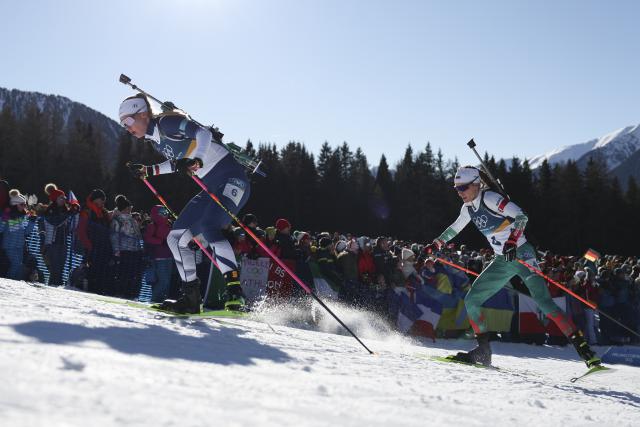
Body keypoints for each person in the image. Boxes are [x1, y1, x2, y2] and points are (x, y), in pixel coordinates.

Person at [426, 166, 600, 368]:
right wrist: (436, 243)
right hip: (503, 260)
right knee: (472, 300)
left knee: (544, 303)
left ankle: (587, 353)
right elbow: (455, 228)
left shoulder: (490, 198)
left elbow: (521, 216)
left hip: (522, 253)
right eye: (456, 188)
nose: (459, 192)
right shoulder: (468, 208)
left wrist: (512, 241)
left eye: (463, 188)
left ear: (476, 184)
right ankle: (483, 351)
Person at [119, 94, 250, 313]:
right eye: (123, 125)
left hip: (232, 179)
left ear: (143, 114)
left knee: (210, 226)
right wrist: (148, 171)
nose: (127, 128)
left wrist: (196, 159)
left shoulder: (166, 123)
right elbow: (177, 161)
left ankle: (235, 292)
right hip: (209, 188)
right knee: (176, 238)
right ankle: (190, 297)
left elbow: (203, 133)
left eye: (129, 121)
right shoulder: (155, 139)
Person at [110, 195, 144, 299]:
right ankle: (121, 292)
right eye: (129, 207)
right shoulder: (118, 220)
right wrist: (116, 251)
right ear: (125, 208)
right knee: (124, 273)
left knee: (132, 273)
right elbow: (114, 235)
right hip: (124, 250)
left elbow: (138, 235)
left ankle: (130, 293)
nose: (130, 209)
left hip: (134, 250)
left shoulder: (132, 220)